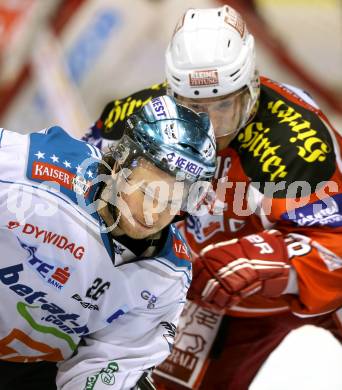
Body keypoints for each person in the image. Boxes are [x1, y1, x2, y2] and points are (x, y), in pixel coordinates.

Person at [84, 5, 342, 390]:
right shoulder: (132, 118)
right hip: (199, 299)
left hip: (293, 284)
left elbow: (335, 250)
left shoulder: (297, 144)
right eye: (194, 108)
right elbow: (77, 189)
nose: (211, 126)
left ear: (252, 84)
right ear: (171, 92)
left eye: (224, 106)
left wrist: (265, 263)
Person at [0, 95, 216, 390]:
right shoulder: (33, 171)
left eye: (172, 201)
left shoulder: (168, 275)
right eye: (147, 191)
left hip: (30, 370)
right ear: (121, 163)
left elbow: (106, 367)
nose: (154, 213)